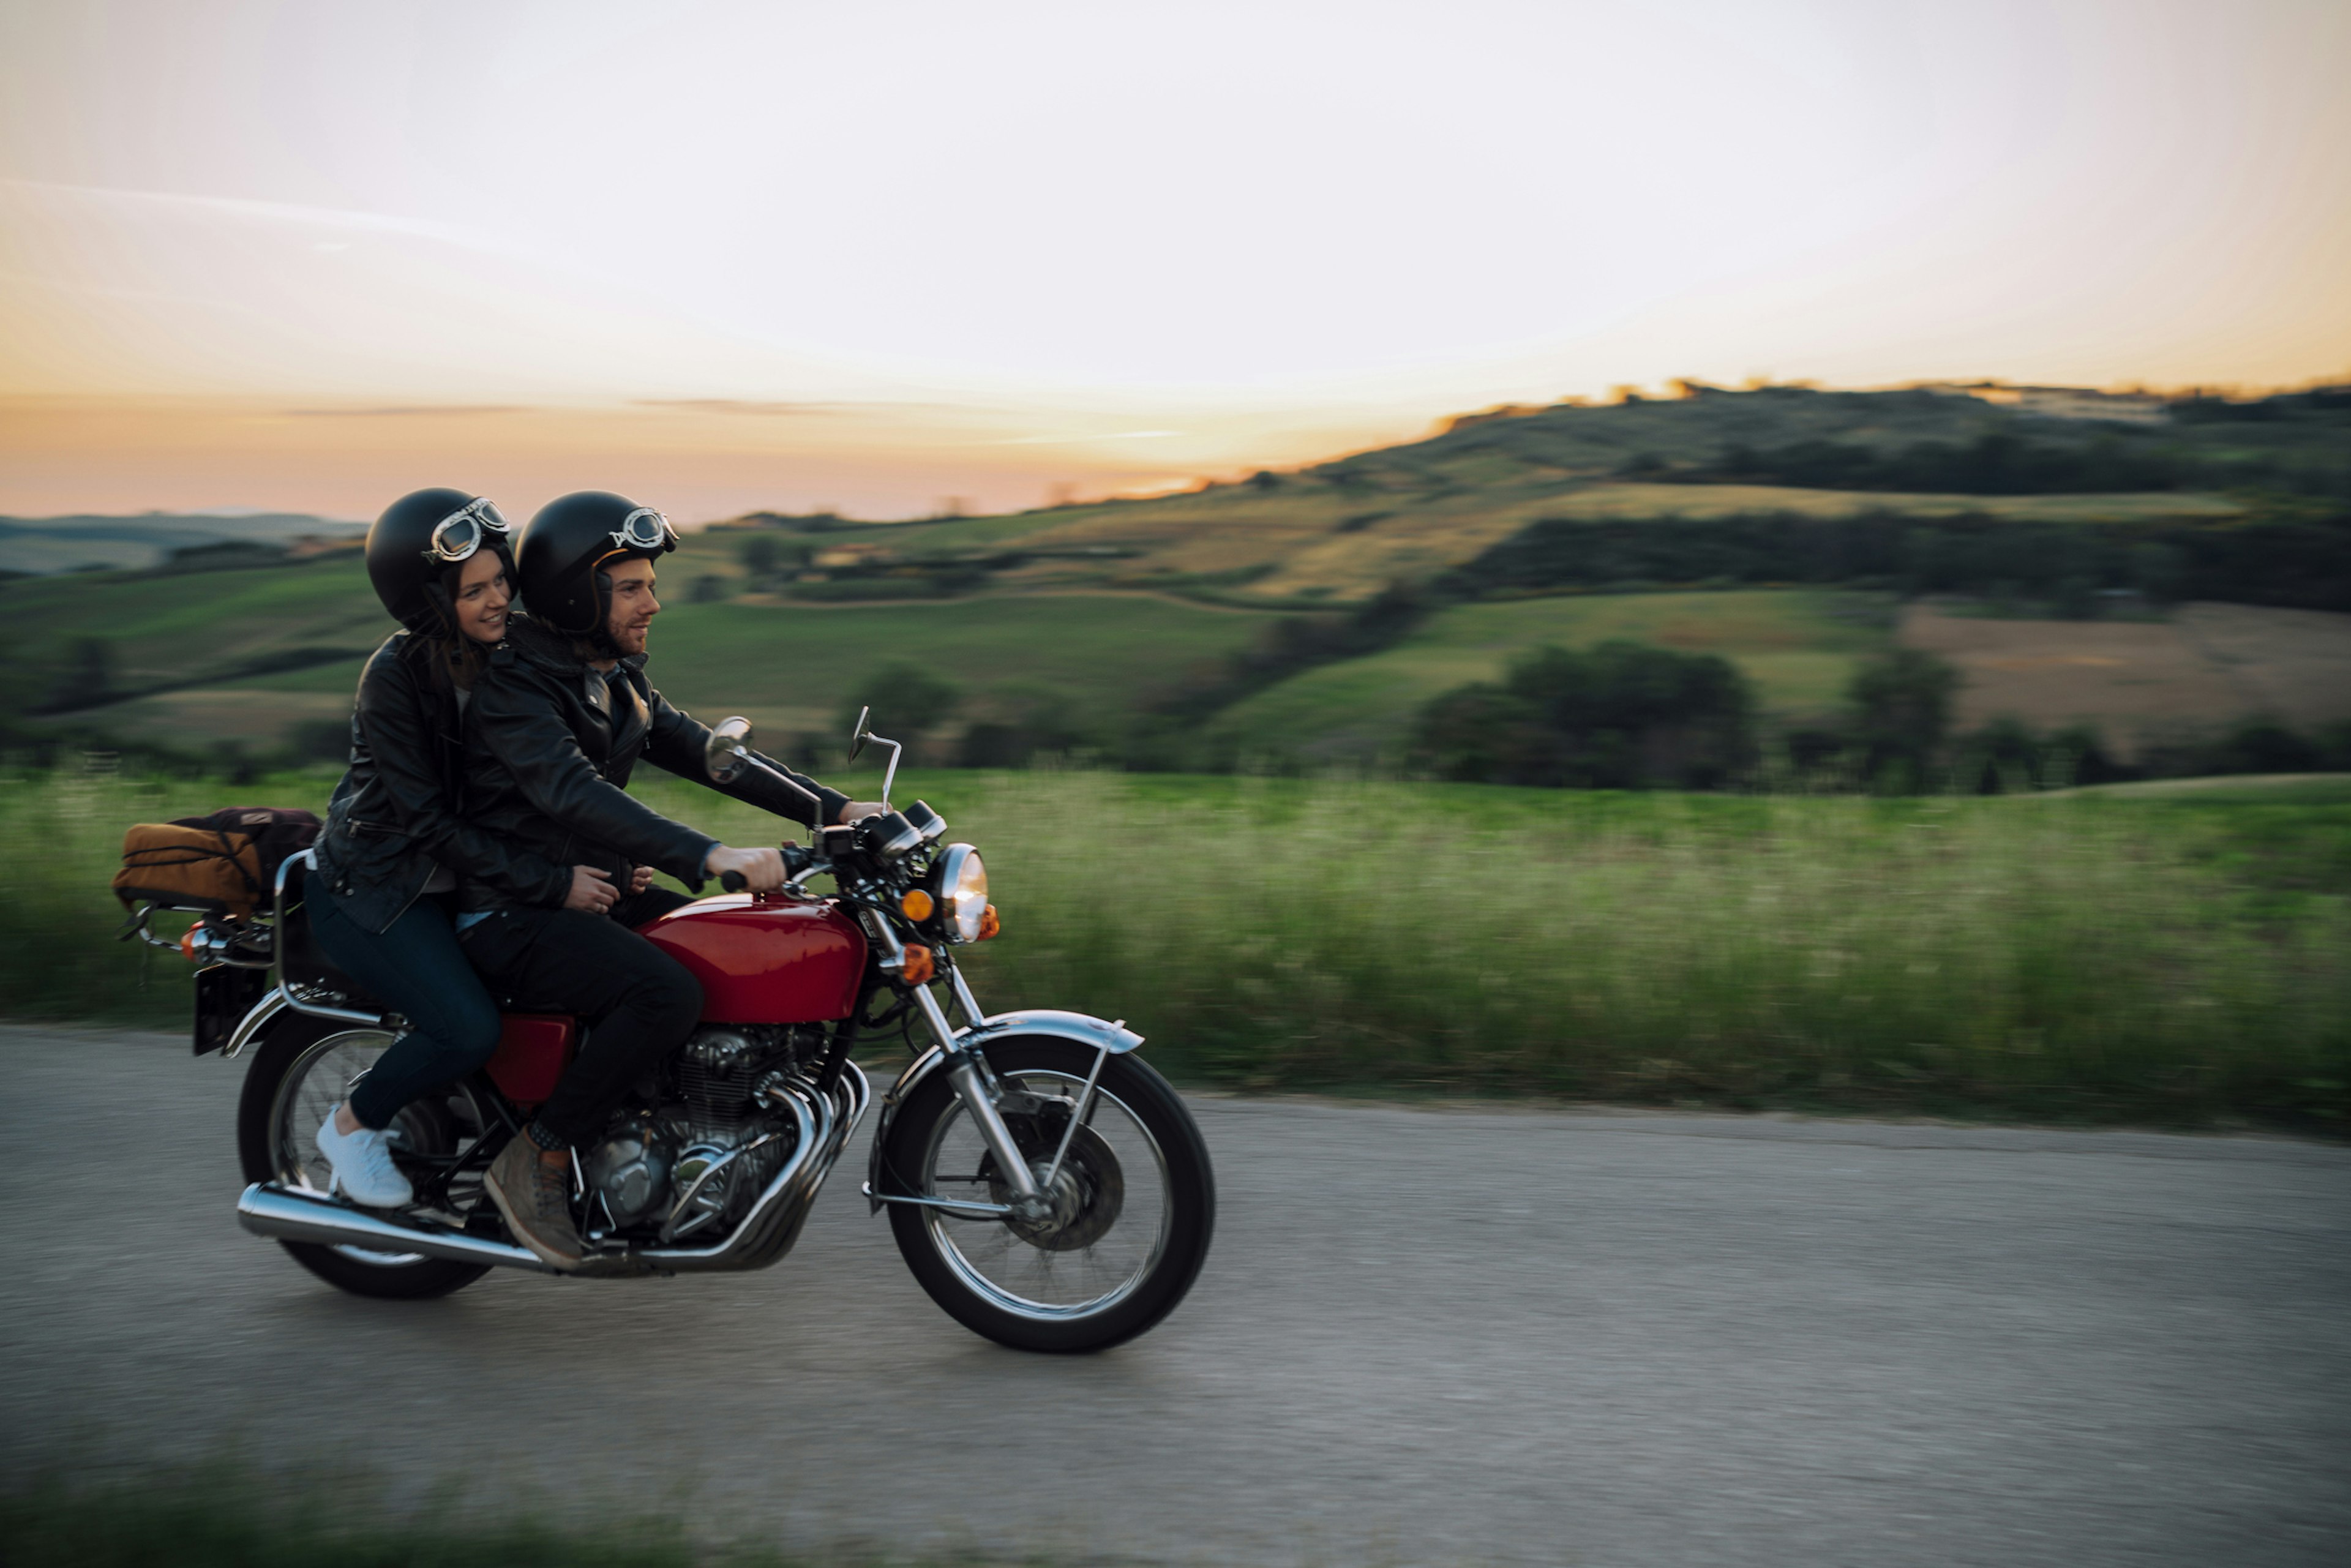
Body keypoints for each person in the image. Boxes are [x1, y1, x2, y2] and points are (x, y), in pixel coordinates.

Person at [458, 490, 879, 1269]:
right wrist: (708, 854)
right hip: (509, 906)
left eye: (651, 584)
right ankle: (539, 1156)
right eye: (632, 587)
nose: (654, 602)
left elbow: (710, 755)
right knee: (665, 991)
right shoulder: (515, 688)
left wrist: (836, 809)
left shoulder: (613, 677)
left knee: (713, 953)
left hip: (585, 892)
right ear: (577, 595)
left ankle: (655, 1132)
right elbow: (571, 791)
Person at [307, 489, 623, 1207]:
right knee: (467, 1027)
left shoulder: (505, 658)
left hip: (463, 877)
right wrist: (552, 883)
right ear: (426, 600)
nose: (496, 601)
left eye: (501, 582)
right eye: (471, 590)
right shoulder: (393, 678)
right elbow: (429, 825)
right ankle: (353, 1124)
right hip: (381, 886)